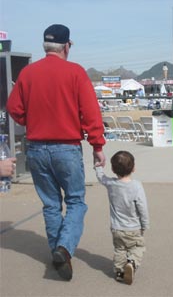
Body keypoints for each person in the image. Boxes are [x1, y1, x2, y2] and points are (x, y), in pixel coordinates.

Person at [6, 24, 106, 281]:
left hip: (37, 148)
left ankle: (58, 253)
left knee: (51, 204)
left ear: (45, 46)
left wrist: (32, 121)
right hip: (67, 147)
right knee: (75, 201)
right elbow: (91, 113)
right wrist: (97, 146)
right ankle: (64, 248)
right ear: (66, 46)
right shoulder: (75, 72)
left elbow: (13, 108)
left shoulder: (28, 73)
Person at [94, 150, 149, 285]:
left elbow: (100, 176)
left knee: (120, 250)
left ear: (113, 169)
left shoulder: (111, 184)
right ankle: (132, 263)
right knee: (138, 248)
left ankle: (119, 272)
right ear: (134, 168)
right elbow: (142, 206)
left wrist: (97, 162)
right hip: (134, 228)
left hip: (117, 228)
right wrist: (145, 224)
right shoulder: (136, 186)